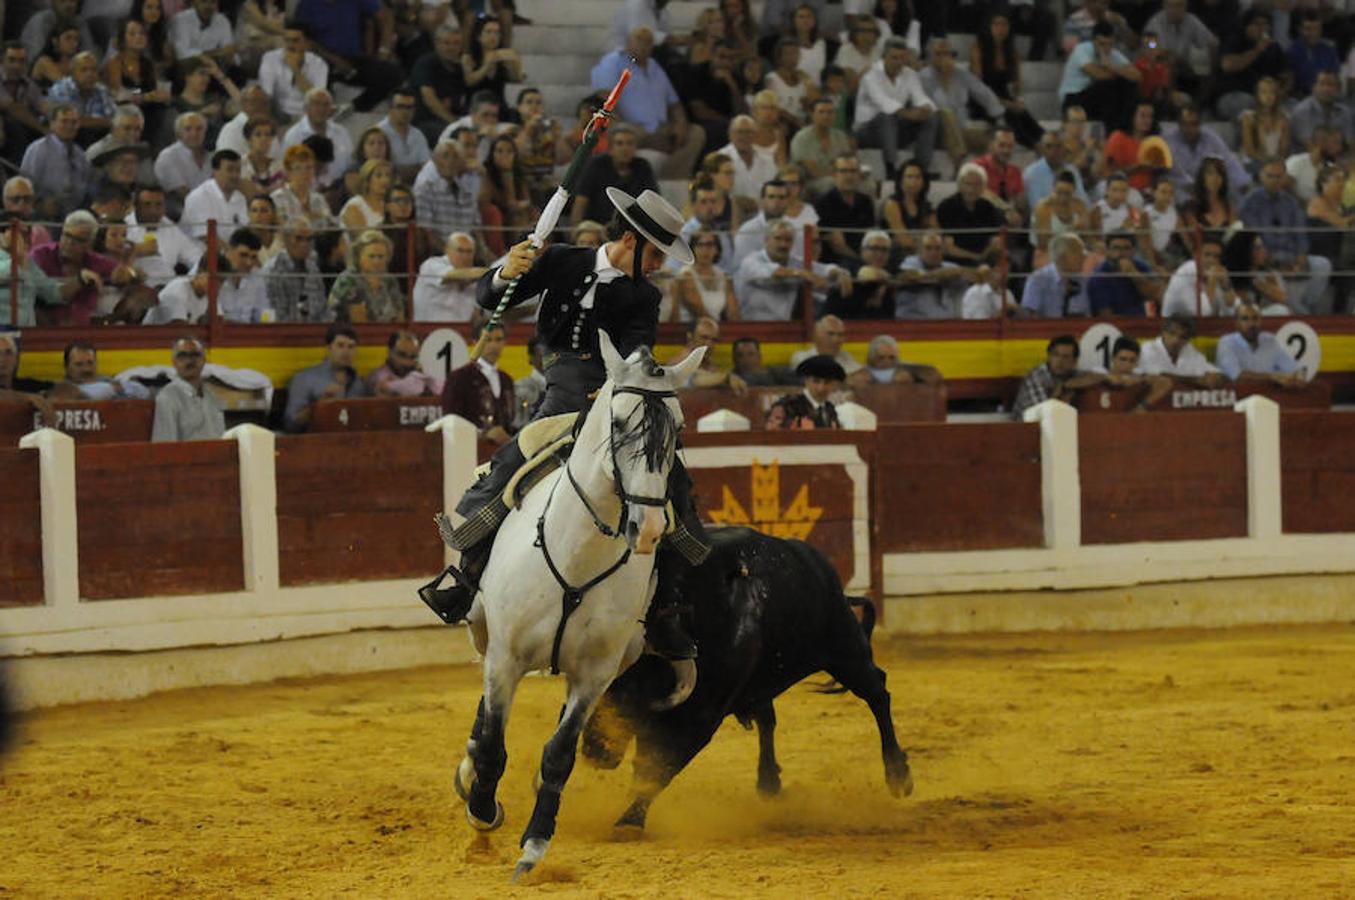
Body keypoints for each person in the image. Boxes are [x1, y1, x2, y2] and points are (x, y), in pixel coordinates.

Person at [423, 187, 707, 660]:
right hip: (562, 387)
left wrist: (624, 383)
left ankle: (667, 608)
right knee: (514, 462)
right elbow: (488, 301)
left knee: (668, 479)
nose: (660, 264)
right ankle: (467, 579)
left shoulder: (644, 296)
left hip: (614, 391)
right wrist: (502, 273)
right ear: (632, 241)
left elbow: (639, 348)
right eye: (657, 253)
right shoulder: (560, 260)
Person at [592, 27, 705, 179]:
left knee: (697, 133)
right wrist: (622, 125)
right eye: (640, 40)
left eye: (649, 42)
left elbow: (675, 104)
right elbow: (604, 98)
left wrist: (681, 123)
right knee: (625, 136)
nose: (645, 45)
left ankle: (670, 179)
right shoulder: (613, 62)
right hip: (631, 128)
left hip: (661, 129)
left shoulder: (655, 66)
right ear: (628, 43)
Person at [1239, 158, 1333, 316]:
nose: (1274, 180)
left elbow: (1300, 232)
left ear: (1284, 177)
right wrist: (1275, 261)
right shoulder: (1250, 203)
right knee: (1268, 275)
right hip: (1267, 260)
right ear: (1261, 176)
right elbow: (1252, 238)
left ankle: (1305, 305)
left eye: (1278, 176)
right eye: (1270, 176)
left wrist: (1301, 255)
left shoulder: (1290, 202)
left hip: (1292, 256)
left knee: (1322, 264)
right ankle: (1305, 314)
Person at [294, 0, 403, 113]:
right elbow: (303, 40)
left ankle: (353, 108)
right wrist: (334, 59)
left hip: (353, 58)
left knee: (393, 74)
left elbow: (386, 17)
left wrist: (384, 50)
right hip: (322, 58)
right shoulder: (306, 5)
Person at [853, 36, 937, 180]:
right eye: (894, 58)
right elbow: (883, 102)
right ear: (884, 56)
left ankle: (921, 169)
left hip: (895, 129)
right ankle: (891, 169)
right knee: (886, 116)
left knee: (932, 117)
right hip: (867, 132)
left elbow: (919, 96)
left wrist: (925, 108)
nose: (898, 62)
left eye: (902, 58)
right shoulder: (870, 76)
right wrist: (909, 114)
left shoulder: (909, 74)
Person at [283, 323, 368, 432]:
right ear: (328, 349)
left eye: (351, 347)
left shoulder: (358, 383)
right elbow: (291, 425)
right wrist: (320, 406)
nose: (346, 352)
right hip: (315, 443)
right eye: (340, 345)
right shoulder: (304, 379)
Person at [570, 124, 660, 225]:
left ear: (635, 148)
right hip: (597, 228)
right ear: (611, 149)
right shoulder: (596, 165)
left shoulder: (643, 167)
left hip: (632, 227)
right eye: (619, 143)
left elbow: (654, 201)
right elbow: (581, 201)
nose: (625, 148)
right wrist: (576, 231)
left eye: (630, 143)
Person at [442, 322, 515, 444]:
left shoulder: (506, 379)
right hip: (469, 452)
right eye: (488, 340)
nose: (494, 346)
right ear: (475, 343)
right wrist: (484, 434)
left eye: (499, 340)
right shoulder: (459, 378)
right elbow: (451, 421)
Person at [1059, 22, 1140, 130]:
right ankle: (1112, 130)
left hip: (1097, 101)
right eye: (1101, 44)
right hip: (1073, 99)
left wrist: (1112, 67)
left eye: (1109, 44)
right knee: (1107, 85)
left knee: (1129, 85)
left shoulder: (1113, 53)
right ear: (1093, 41)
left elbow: (1137, 76)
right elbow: (1099, 74)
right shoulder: (1081, 50)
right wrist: (1115, 70)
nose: (1105, 48)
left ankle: (1126, 127)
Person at [1214, 9, 1289, 121]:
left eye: (1265, 24)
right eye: (1257, 24)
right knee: (1251, 106)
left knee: (1291, 108)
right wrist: (1257, 50)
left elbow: (1286, 75)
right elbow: (1228, 65)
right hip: (1234, 95)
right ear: (1246, 26)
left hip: (1266, 97)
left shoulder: (1274, 47)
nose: (1262, 28)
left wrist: (1283, 90)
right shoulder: (1235, 41)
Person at [125, 185, 204, 288]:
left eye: (158, 205)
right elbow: (112, 261)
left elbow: (195, 256)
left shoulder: (169, 227)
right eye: (147, 205)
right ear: (136, 206)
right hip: (136, 287)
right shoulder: (123, 227)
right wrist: (136, 251)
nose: (153, 210)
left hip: (169, 288)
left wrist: (192, 281)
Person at [19, 104, 90, 219]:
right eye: (64, 121)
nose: (69, 126)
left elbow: (85, 183)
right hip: (41, 215)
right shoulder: (37, 149)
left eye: (74, 122)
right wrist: (39, 204)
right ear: (52, 124)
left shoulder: (80, 154)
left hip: (72, 214)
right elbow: (25, 183)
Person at [1165, 103, 1251, 197]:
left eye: (1193, 124)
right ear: (1179, 124)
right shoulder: (1169, 141)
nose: (1189, 128)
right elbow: (1173, 174)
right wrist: (1192, 187)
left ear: (1200, 124)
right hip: (1181, 189)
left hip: (1208, 187)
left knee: (1236, 192)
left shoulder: (1211, 138)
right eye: (1184, 124)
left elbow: (1229, 162)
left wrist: (1243, 183)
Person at [1012, 334, 1107, 418]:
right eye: (1055, 355)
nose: (1059, 361)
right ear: (1049, 356)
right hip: (1024, 431)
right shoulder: (1036, 377)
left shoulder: (1072, 373)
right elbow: (1044, 415)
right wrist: (1062, 390)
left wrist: (1067, 385)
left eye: (1066, 357)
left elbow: (1096, 377)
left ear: (1074, 362)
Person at [151, 336, 225, 442]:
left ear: (204, 360)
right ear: (174, 362)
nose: (189, 361)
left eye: (195, 355)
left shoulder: (212, 396)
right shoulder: (167, 398)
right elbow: (164, 445)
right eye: (182, 356)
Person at [414, 139, 483, 249]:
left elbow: (476, 230)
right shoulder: (425, 188)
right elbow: (426, 232)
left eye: (455, 157)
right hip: (440, 254)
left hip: (468, 252)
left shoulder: (466, 191)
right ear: (435, 160)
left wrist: (484, 253)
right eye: (445, 156)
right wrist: (450, 253)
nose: (451, 161)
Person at [1215, 303, 1304, 386]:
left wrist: (1296, 378)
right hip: (1239, 399)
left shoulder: (1271, 341)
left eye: (1255, 318)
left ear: (1261, 321)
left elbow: (1294, 370)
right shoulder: (1226, 343)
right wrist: (1272, 377)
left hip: (1271, 398)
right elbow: (1237, 378)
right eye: (1245, 319)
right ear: (1236, 323)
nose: (1251, 324)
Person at [283, 89, 353, 192]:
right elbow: (286, 170)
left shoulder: (342, 132)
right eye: (316, 104)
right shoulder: (293, 135)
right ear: (306, 108)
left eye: (326, 105)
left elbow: (350, 164)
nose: (321, 109)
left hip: (339, 191)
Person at [328, 229, 404, 324]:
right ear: (358, 257)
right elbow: (360, 324)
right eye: (371, 256)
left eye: (381, 256)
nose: (376, 261)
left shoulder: (390, 280)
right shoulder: (349, 279)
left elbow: (400, 318)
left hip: (385, 334)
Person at [813, 154, 875, 268]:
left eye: (853, 171)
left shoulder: (866, 201)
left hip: (864, 257)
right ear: (834, 174)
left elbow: (870, 236)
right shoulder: (823, 203)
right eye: (843, 171)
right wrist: (863, 261)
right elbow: (837, 246)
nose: (849, 176)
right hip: (836, 261)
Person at [410, 23, 468, 145]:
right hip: (424, 123)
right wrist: (454, 122)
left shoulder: (461, 68)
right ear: (437, 43)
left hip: (452, 121)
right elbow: (429, 99)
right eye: (447, 43)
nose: (451, 48)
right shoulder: (425, 64)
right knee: (457, 137)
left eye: (456, 43)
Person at [258, 21, 327, 121]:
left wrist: (295, 69)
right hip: (277, 115)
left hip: (306, 116)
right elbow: (266, 95)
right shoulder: (270, 58)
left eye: (295, 41)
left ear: (307, 43)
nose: (290, 45)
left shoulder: (319, 65)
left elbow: (318, 99)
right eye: (287, 40)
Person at [0, 225, 65, 328]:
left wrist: (80, 280)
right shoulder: (16, 259)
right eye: (21, 233)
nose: (26, 239)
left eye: (27, 234)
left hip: (27, 333)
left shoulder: (29, 263)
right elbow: (8, 272)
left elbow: (52, 291)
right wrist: (19, 257)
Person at [1161, 230, 1237, 318]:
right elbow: (1203, 313)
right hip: (1175, 327)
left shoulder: (1216, 273)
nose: (1211, 260)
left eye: (1216, 257)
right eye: (1207, 255)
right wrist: (1212, 281)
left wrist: (1226, 284)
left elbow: (1231, 312)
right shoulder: (1186, 271)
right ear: (1195, 255)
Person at [262, 221, 327, 322]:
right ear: (286, 240)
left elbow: (323, 309)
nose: (305, 244)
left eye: (309, 239)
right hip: (284, 333)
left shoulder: (313, 269)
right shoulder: (273, 271)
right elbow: (274, 316)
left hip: (315, 332)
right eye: (299, 238)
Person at [895, 230, 968, 319]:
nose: (933, 253)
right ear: (919, 250)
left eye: (938, 248)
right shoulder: (911, 262)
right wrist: (939, 274)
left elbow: (968, 275)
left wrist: (962, 272)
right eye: (928, 248)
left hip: (945, 325)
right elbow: (909, 276)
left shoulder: (950, 267)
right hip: (912, 325)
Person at [1137, 315, 1226, 386]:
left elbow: (1218, 374)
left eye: (1183, 337)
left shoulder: (1189, 351)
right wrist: (1196, 380)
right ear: (1163, 332)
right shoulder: (1147, 350)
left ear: (1188, 339)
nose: (1176, 340)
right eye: (1172, 333)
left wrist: (1216, 378)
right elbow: (1157, 377)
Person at [1088, 230, 1161, 317]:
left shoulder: (1141, 266)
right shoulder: (1099, 276)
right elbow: (1106, 315)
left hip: (1143, 322)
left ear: (1133, 251)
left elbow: (1156, 295)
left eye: (1126, 248)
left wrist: (1134, 274)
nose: (1121, 253)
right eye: (1116, 248)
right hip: (1115, 326)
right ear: (1107, 251)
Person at [180, 149, 247, 242]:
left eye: (238, 170)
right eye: (230, 170)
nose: (235, 175)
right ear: (215, 172)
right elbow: (206, 237)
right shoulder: (198, 197)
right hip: (198, 253)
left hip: (230, 252)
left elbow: (244, 232)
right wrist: (230, 254)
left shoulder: (240, 198)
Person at [50, 339, 149, 401]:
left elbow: (144, 393)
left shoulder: (109, 381)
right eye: (79, 364)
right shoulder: (62, 389)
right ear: (66, 367)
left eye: (90, 363)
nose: (86, 369)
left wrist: (124, 388)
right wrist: (112, 389)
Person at [1021, 232, 1091, 318]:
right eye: (1077, 253)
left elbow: (1087, 317)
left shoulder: (1082, 281)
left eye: (1083, 254)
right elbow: (1030, 317)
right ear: (1061, 256)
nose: (1083, 257)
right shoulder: (1038, 280)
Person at [773, 354, 844, 428]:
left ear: (833, 385)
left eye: (827, 382)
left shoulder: (830, 410)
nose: (821, 388)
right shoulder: (788, 406)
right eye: (816, 381)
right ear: (806, 381)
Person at [379, 87, 433, 184]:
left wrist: (400, 170)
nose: (405, 111)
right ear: (390, 108)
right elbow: (384, 172)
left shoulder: (418, 135)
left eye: (409, 107)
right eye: (400, 106)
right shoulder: (379, 133)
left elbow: (427, 169)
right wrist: (416, 168)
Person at [849, 332, 942, 387]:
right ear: (871, 357)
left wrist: (914, 378)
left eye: (891, 357)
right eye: (881, 357)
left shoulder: (905, 369)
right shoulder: (860, 373)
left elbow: (934, 375)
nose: (887, 361)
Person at [0, 332, 55, 424]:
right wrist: (26, 398)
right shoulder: (27, 395)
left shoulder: (26, 384)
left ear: (16, 359)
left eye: (8, 353)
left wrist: (54, 398)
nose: (2, 358)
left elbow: (66, 387)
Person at [368, 330, 441, 398]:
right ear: (389, 352)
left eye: (413, 357)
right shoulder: (378, 378)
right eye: (402, 355)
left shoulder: (421, 375)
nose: (406, 362)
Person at [788, 314, 862, 374]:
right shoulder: (801, 357)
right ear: (815, 336)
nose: (836, 340)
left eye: (840, 335)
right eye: (830, 334)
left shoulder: (847, 357)